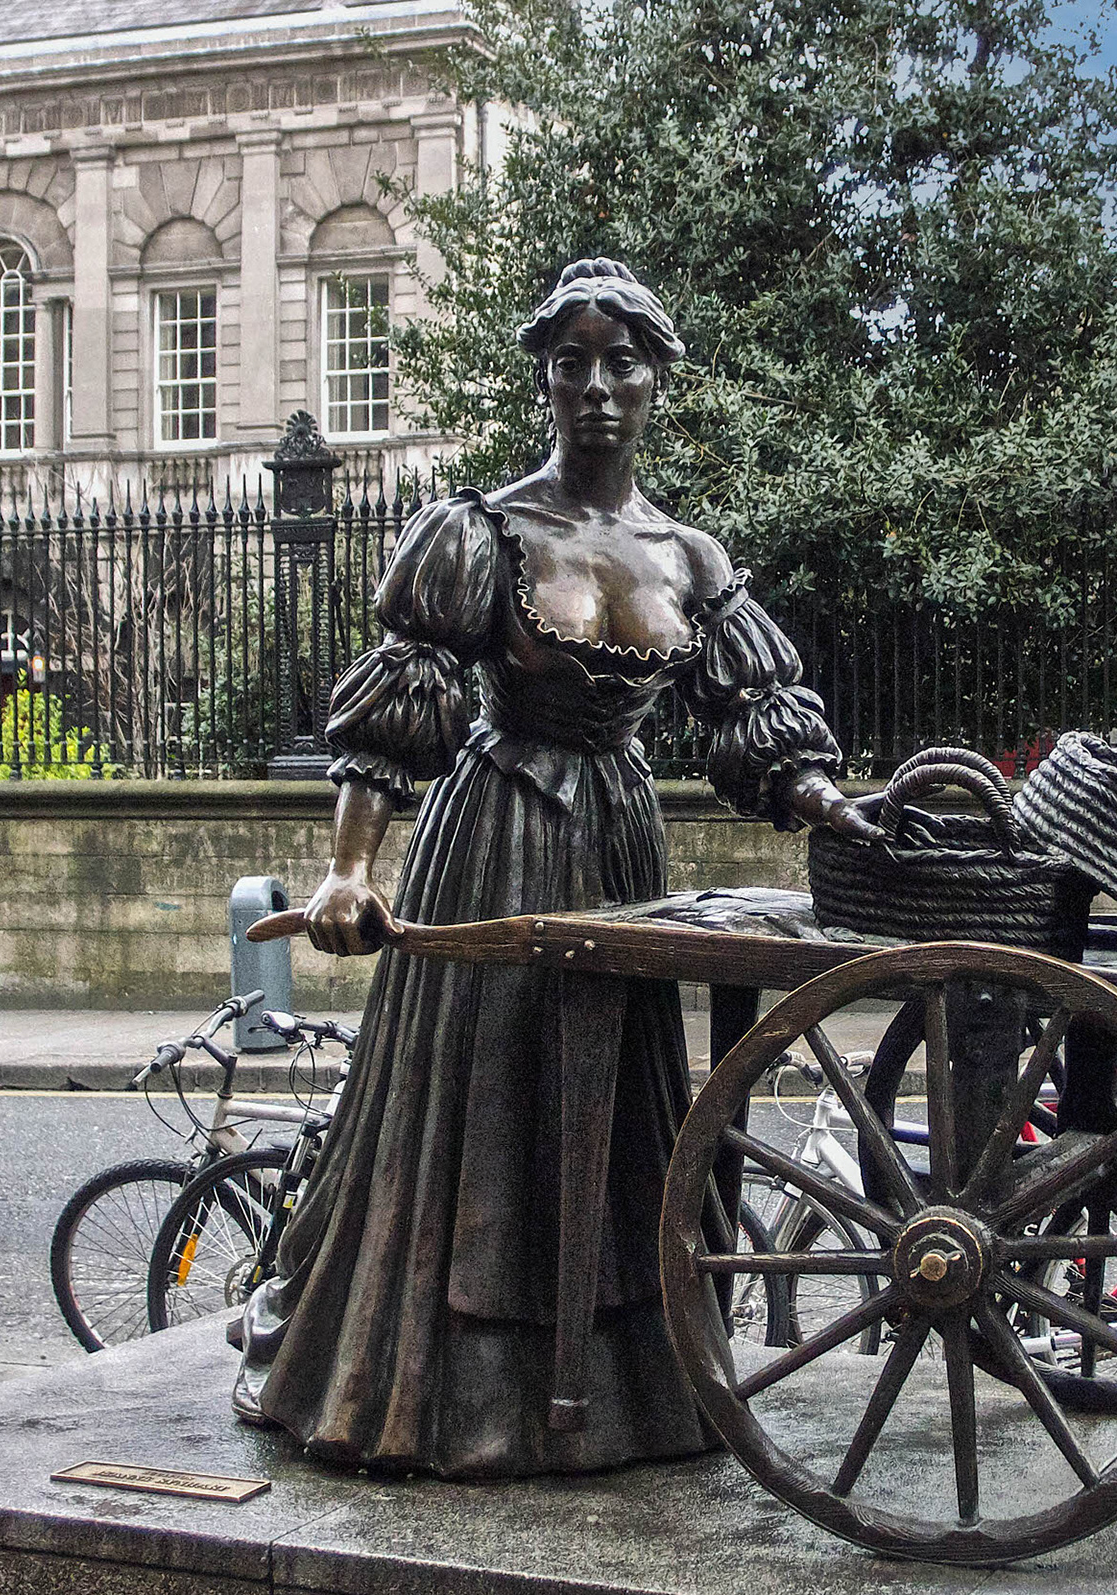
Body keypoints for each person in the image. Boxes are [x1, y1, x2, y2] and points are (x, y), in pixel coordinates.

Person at [230, 259, 878, 1478]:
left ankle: (631, 1389)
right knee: (482, 1102)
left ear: (656, 382)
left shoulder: (687, 553)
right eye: (572, 361)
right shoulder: (479, 534)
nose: (596, 386)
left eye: (621, 362)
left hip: (622, 843)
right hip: (497, 841)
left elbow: (753, 719)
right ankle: (434, 1391)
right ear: (543, 377)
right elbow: (393, 720)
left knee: (627, 1111)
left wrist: (829, 803)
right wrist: (349, 872)